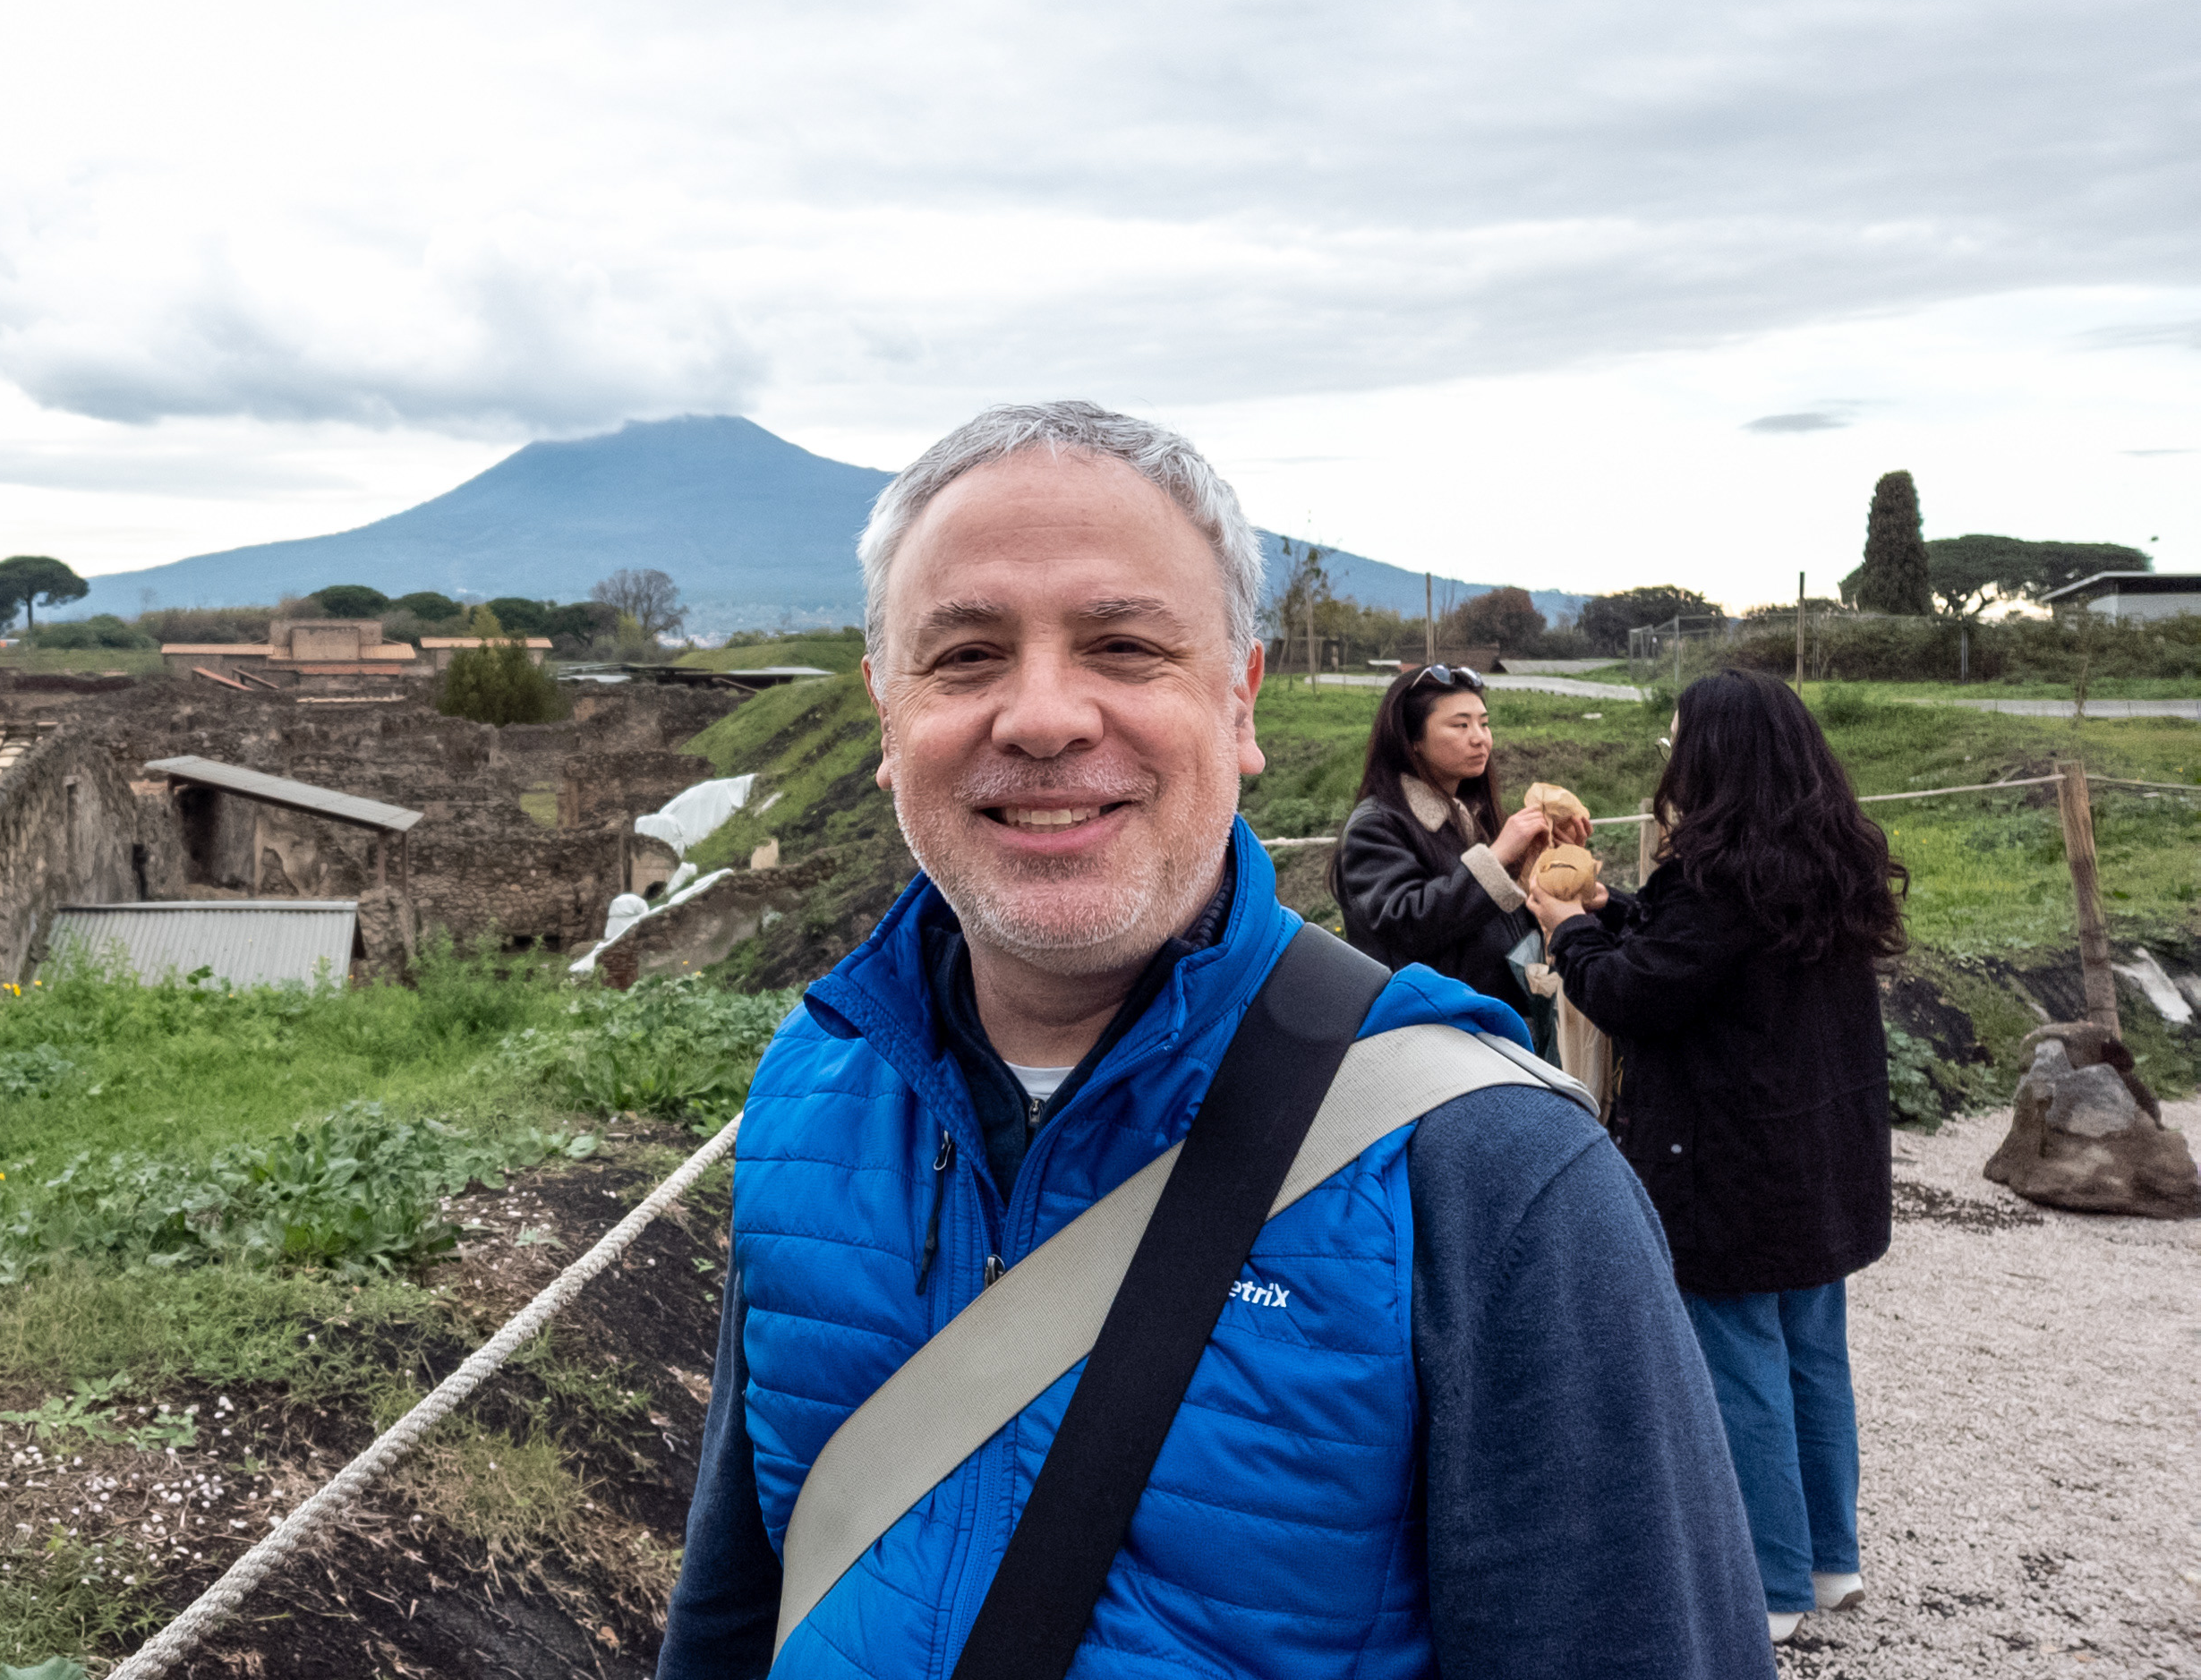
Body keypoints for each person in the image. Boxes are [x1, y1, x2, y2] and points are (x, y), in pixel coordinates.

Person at [656, 402, 1770, 1680]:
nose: (1040, 717)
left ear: (1238, 702)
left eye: (1124, 646)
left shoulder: (1496, 1177)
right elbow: (735, 1611)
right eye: (963, 657)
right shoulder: (813, 1090)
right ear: (886, 715)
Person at [1529, 667, 1899, 1646]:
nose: (1670, 760)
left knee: (1738, 1363)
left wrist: (1567, 933)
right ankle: (1827, 1561)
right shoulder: (1830, 858)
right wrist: (1610, 912)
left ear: (1715, 756)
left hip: (1732, 1162)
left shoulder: (1716, 876)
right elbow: (1681, 956)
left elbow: (1637, 996)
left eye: (1679, 741)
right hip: (1823, 1155)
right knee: (1813, 1356)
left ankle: (1767, 1587)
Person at [1333, 665, 1566, 1036]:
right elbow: (1408, 923)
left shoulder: (1471, 814)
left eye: (1484, 724)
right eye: (1461, 725)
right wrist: (1497, 856)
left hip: (1493, 1023)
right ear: (1413, 741)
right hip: (1432, 1033)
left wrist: (1547, 858)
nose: (1480, 739)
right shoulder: (1375, 825)